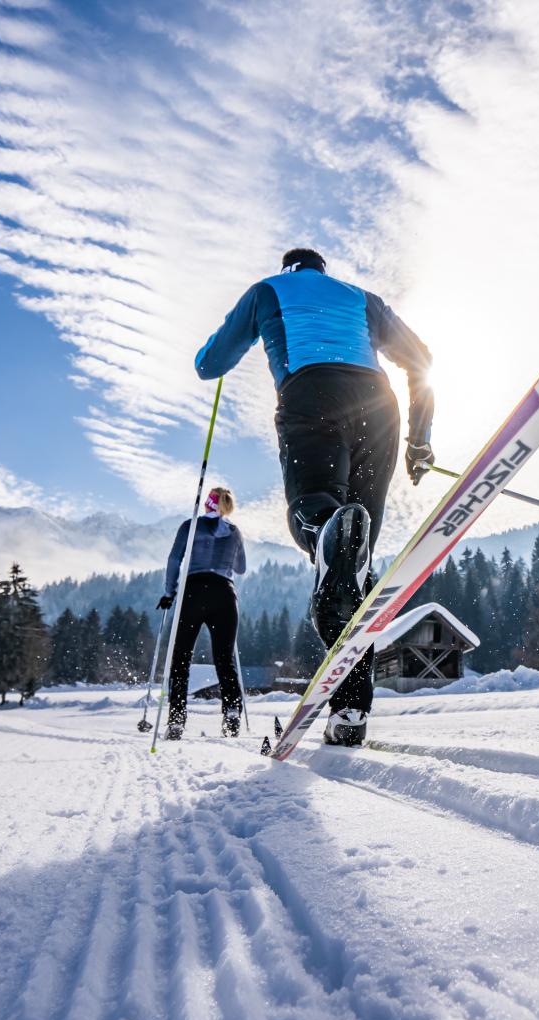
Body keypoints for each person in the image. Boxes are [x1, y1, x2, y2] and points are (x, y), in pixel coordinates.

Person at [194, 247, 434, 746]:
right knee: (354, 563)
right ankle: (349, 714)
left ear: (289, 268)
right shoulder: (361, 298)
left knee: (321, 517)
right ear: (324, 270)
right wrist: (420, 440)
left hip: (310, 396)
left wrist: (210, 356)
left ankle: (327, 530)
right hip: (379, 407)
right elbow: (421, 360)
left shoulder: (268, 291)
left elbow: (210, 363)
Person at [156, 486, 247, 740]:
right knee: (225, 660)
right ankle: (231, 713)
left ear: (207, 504)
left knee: (181, 658)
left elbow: (175, 560)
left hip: (193, 593)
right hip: (224, 595)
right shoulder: (234, 532)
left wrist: (169, 592)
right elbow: (241, 568)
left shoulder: (190, 526)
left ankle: (176, 720)